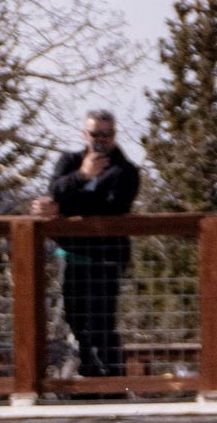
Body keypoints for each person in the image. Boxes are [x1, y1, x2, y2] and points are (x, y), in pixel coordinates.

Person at [31, 112, 143, 379]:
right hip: (74, 255)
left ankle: (112, 383)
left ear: (114, 136)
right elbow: (54, 190)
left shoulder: (126, 171)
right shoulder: (70, 161)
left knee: (101, 323)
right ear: (85, 135)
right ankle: (90, 375)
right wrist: (82, 175)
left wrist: (63, 207)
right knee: (76, 321)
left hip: (107, 258)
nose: (101, 140)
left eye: (106, 134)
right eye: (95, 134)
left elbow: (112, 207)